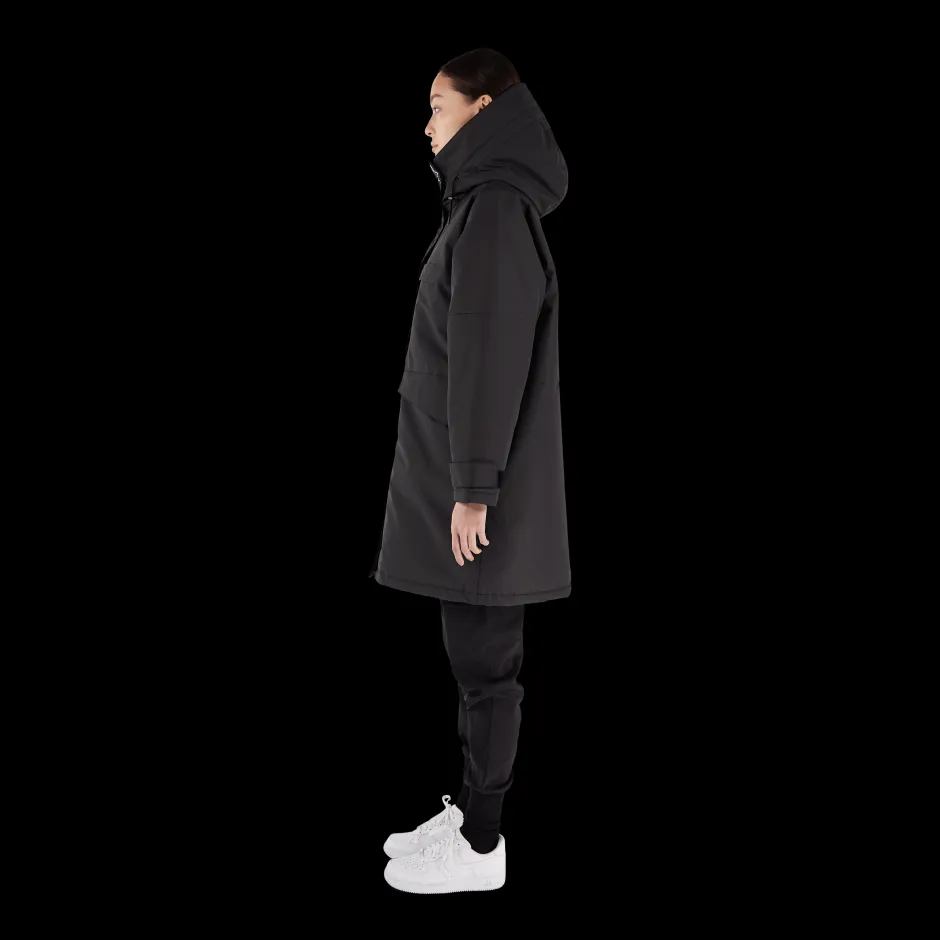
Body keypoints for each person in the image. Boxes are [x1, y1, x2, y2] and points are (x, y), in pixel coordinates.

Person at [368, 47, 570, 894]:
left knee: (487, 663)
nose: (427, 124)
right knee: (473, 656)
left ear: (483, 109)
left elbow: (488, 356)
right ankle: (470, 818)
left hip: (482, 492)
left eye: (437, 105)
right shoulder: (484, 203)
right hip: (471, 481)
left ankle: (483, 847)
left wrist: (474, 490)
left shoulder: (492, 208)